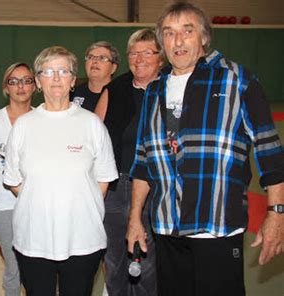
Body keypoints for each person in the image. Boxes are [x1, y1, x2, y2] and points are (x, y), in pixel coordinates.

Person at [127, 2, 284, 296]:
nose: (178, 41)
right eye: (169, 33)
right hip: (166, 226)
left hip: (217, 225)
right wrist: (135, 218)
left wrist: (277, 212)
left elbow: (269, 149)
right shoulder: (154, 89)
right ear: (162, 42)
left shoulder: (237, 79)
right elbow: (143, 160)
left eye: (188, 31)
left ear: (204, 37)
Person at [3, 46, 118, 296]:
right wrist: (41, 199)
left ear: (73, 80)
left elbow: (103, 180)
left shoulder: (92, 124)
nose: (56, 78)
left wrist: (78, 207)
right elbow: (13, 180)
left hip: (83, 241)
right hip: (34, 241)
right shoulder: (23, 127)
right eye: (48, 71)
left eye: (63, 71)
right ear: (38, 81)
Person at [95, 28, 163, 296]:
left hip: (156, 189)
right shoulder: (116, 88)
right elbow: (95, 136)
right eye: (134, 53)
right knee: (114, 259)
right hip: (116, 186)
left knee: (146, 262)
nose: (140, 59)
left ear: (161, 58)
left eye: (148, 52)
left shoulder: (171, 88)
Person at [0, 62, 36, 296]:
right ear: (6, 87)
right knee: (13, 266)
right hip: (5, 207)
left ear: (35, 85)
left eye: (26, 80)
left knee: (37, 266)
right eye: (14, 81)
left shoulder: (43, 119)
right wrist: (4, 185)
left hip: (38, 206)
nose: (20, 86)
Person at [71, 41, 119, 112]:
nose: (95, 61)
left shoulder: (120, 95)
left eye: (102, 58)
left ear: (113, 68)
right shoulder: (73, 93)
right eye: (90, 57)